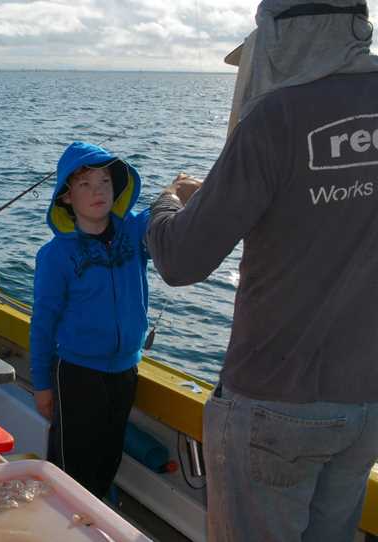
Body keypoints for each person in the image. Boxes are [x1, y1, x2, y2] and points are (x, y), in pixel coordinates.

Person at [144, 1, 378, 540]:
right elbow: (333, 211)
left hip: (276, 404)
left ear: (281, 35)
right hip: (363, 404)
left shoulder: (276, 116)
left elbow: (181, 259)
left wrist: (164, 204)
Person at [30, 141, 149, 500]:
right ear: (66, 197)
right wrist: (42, 384)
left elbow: (172, 212)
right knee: (72, 468)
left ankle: (98, 518)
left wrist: (182, 189)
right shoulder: (55, 256)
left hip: (126, 370)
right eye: (84, 184)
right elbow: (43, 324)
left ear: (118, 188)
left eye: (105, 182)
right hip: (77, 373)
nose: (98, 191)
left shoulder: (136, 233)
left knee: (108, 459)